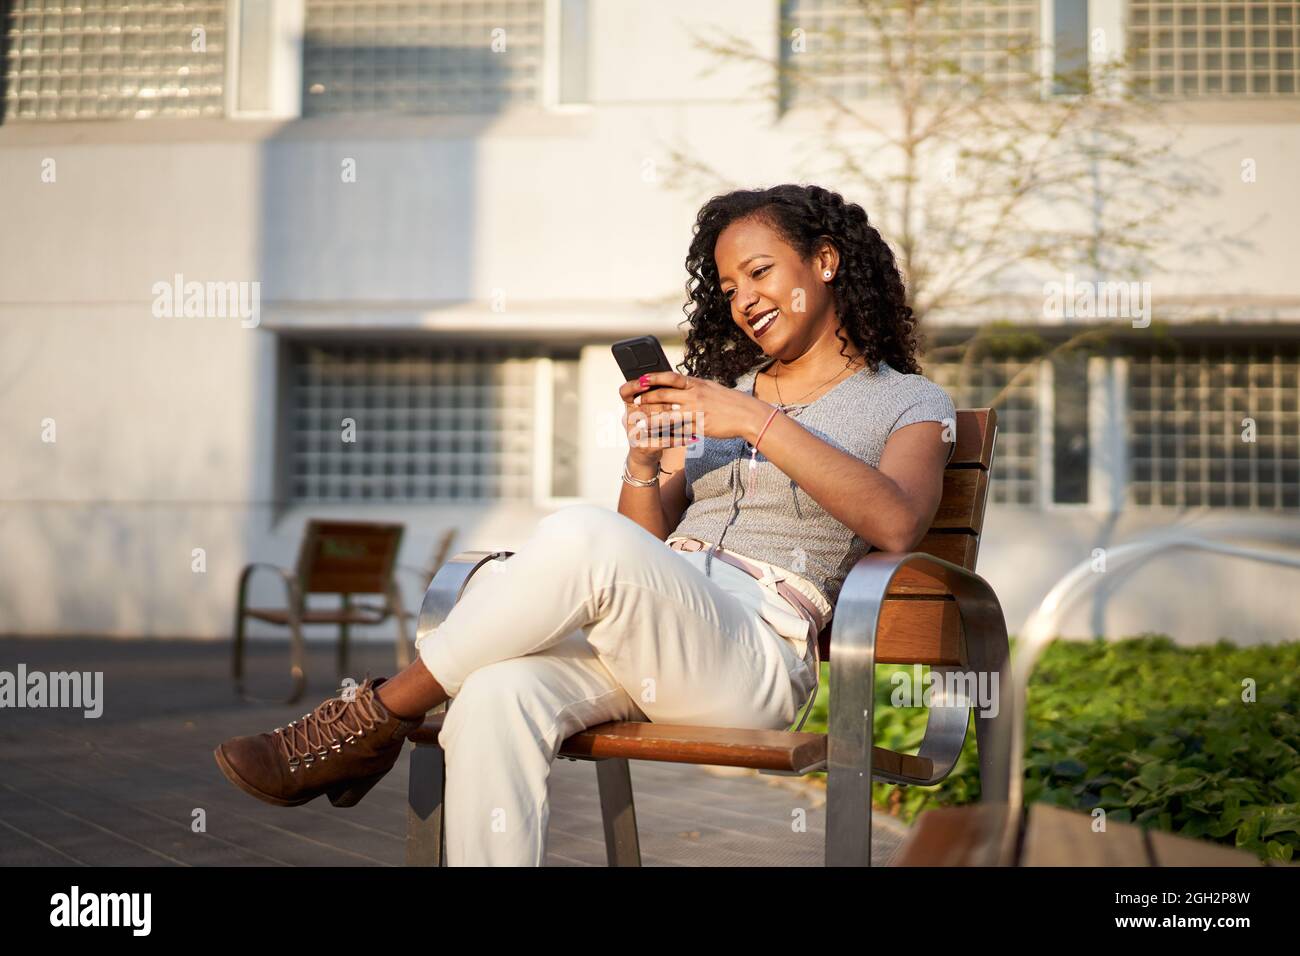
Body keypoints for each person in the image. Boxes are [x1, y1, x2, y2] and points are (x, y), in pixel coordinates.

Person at [213, 183, 957, 865]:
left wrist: (755, 421)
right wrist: (644, 462)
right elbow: (643, 539)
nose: (743, 300)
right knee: (495, 694)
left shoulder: (906, 401)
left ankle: (369, 721)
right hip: (654, 631)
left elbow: (896, 523)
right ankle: (380, 733)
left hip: (753, 654)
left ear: (825, 262)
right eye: (729, 287)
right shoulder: (721, 397)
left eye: (760, 273)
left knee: (578, 535)